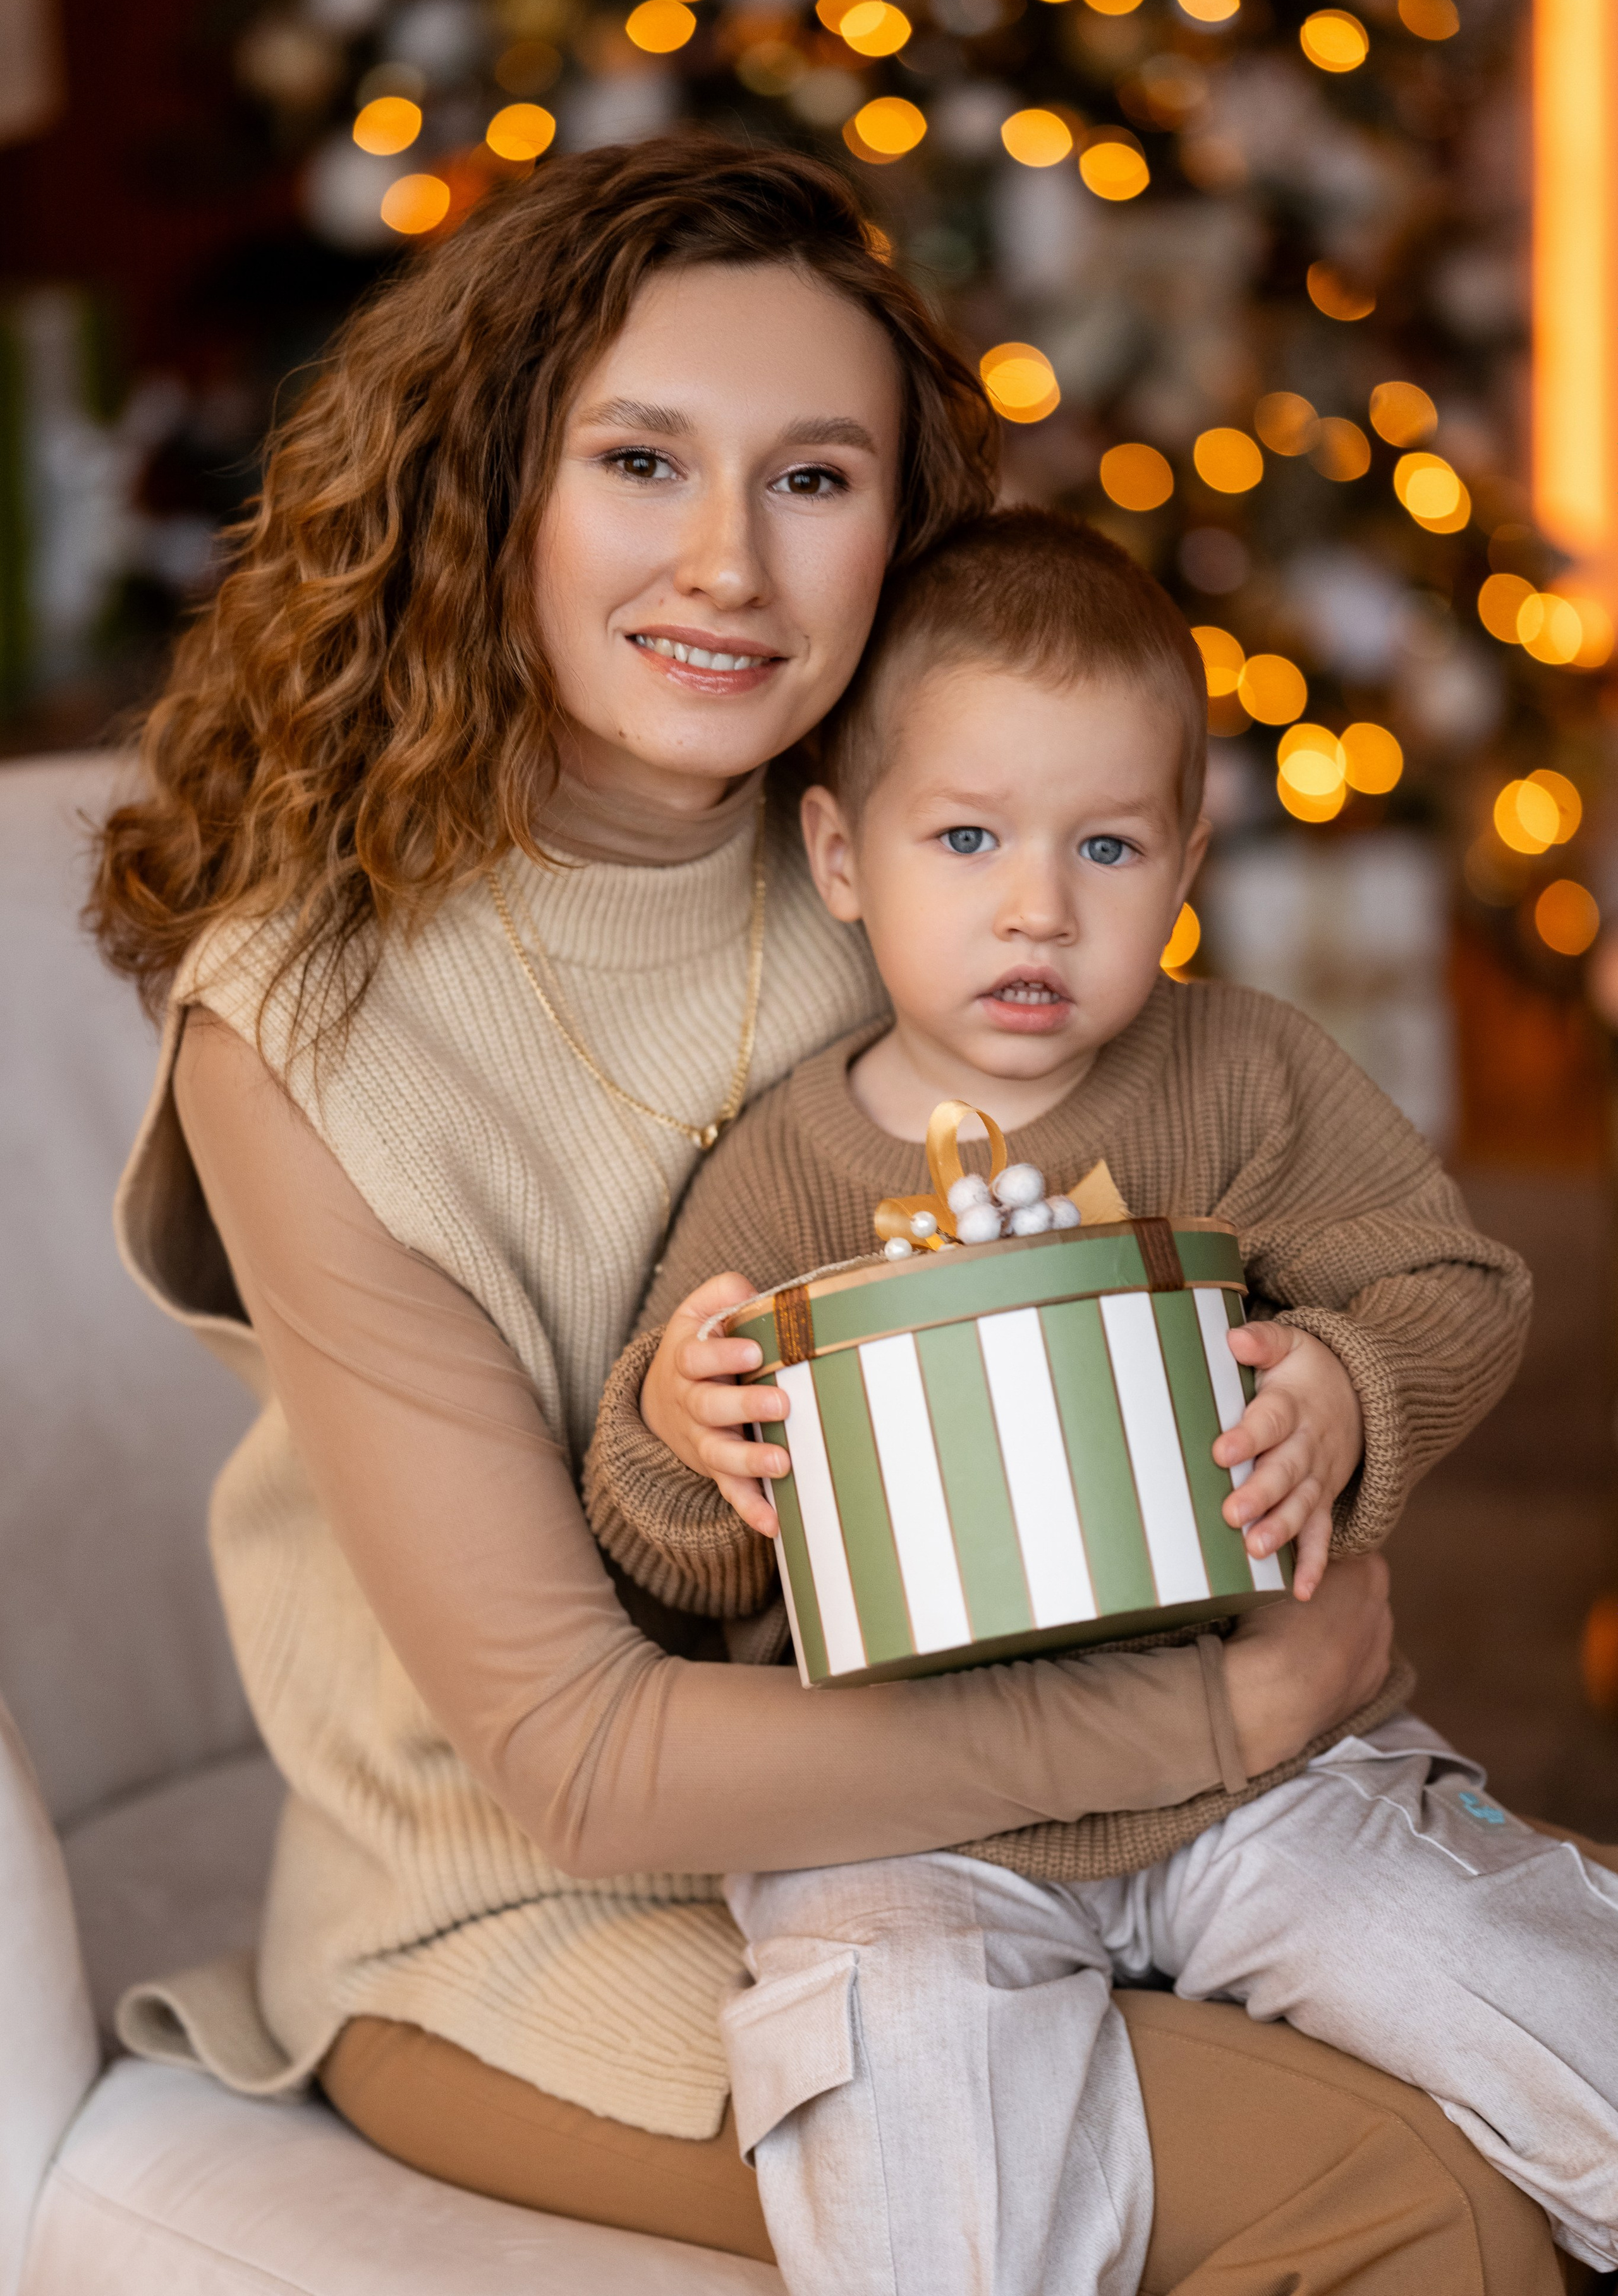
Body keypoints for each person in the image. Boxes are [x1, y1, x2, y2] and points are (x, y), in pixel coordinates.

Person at [87, 133, 1564, 2291]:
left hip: (1065, 1835)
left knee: (1535, 2060)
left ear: (901, 524)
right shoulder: (301, 1029)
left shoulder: (956, 849)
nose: (729, 568)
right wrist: (1218, 1717)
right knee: (1407, 2197)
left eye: (812, 478)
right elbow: (584, 1763)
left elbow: (1279, 1209)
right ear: (492, 481)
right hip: (547, 1909)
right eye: (640, 460)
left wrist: (1332, 1396)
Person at [585, 508, 1618, 2290]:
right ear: (840, 853)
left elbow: (1453, 1282)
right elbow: (662, 1547)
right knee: (913, 2122)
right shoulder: (780, 1169)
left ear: (1189, 856)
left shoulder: (1242, 1072)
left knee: (1507, 1968)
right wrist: (685, 1434)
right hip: (903, 1827)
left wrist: (1352, 1395)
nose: (1036, 906)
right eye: (968, 836)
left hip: (1258, 1774)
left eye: (1109, 845)